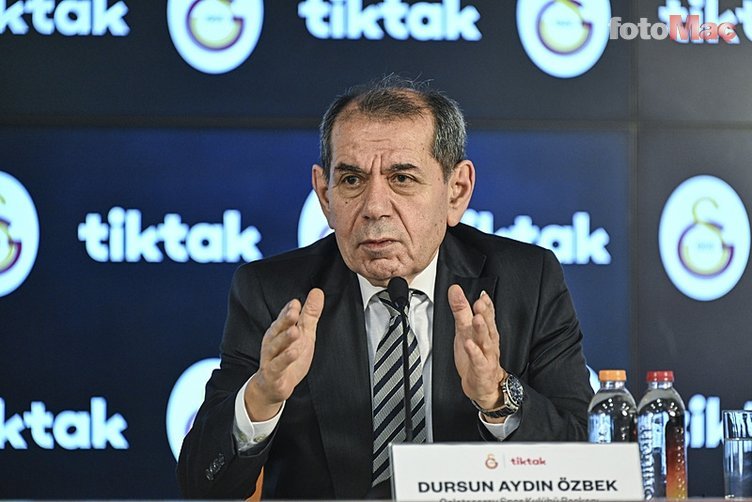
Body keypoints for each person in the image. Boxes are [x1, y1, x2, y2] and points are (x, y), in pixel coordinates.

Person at [177, 77, 594, 499]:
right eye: (351, 180)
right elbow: (201, 485)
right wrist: (261, 398)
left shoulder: (528, 281)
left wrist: (496, 395)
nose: (374, 207)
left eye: (402, 178)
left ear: (456, 191)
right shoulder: (274, 293)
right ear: (325, 195)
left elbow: (586, 463)